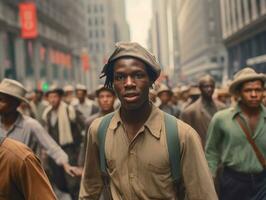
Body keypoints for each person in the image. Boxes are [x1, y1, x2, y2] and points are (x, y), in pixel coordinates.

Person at [79, 42, 217, 199]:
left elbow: (203, 196)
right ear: (113, 83)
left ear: (151, 81)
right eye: (120, 77)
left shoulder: (182, 135)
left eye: (138, 75)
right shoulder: (99, 130)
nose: (129, 83)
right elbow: (89, 190)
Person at [205, 67, 266, 200]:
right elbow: (211, 153)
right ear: (238, 93)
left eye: (258, 90)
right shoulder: (221, 119)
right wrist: (209, 184)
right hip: (233, 182)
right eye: (248, 90)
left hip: (263, 182)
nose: (254, 94)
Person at [0, 79, 78, 177]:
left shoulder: (30, 125)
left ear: (15, 104)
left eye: (1, 100)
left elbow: (51, 146)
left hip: (23, 178)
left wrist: (66, 165)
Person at [43, 86, 83, 199]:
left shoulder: (69, 110)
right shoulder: (48, 113)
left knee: (73, 182)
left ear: (60, 97)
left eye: (55, 96)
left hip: (69, 150)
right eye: (50, 97)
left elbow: (83, 126)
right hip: (54, 152)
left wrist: (79, 150)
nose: (52, 100)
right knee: (59, 181)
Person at [181, 75, 225, 147]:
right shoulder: (190, 111)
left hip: (220, 150)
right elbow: (186, 137)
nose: (209, 89)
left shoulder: (222, 108)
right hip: (201, 150)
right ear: (200, 88)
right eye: (206, 86)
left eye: (211, 86)